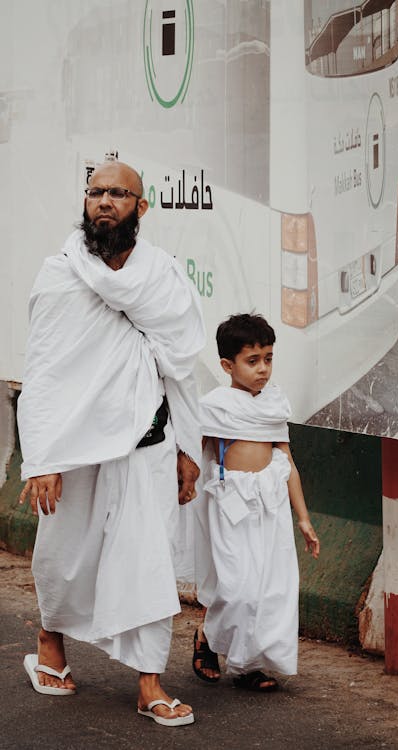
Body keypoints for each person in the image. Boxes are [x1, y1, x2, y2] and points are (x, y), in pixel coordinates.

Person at [18, 160, 206, 727]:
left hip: (148, 440)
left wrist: (187, 448)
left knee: (150, 562)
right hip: (76, 447)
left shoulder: (163, 276)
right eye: (95, 191)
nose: (104, 201)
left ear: (140, 208)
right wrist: (44, 457)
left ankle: (150, 682)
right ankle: (50, 642)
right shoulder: (60, 274)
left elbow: (182, 367)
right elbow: (45, 369)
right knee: (65, 553)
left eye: (118, 193)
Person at [192, 313, 320, 691]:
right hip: (230, 503)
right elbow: (195, 456)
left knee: (270, 589)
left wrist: (304, 519)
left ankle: (248, 665)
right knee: (236, 588)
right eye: (253, 361)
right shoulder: (215, 406)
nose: (263, 369)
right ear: (227, 366)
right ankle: (207, 636)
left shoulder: (273, 404)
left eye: (268, 358)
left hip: (271, 504)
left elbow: (288, 463)